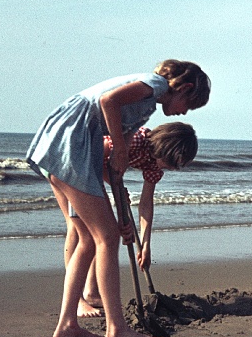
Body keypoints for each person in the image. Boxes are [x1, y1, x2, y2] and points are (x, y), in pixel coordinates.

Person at [26, 59, 210, 337]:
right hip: (74, 143)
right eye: (188, 104)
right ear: (184, 88)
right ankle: (116, 331)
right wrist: (122, 149)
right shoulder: (155, 86)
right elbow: (107, 101)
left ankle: (67, 325)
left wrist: (122, 209)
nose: (184, 112)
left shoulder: (146, 108)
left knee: (90, 238)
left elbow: (116, 167)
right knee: (107, 238)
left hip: (70, 143)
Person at [60, 123, 198, 318]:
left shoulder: (154, 166)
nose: (171, 168)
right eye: (171, 162)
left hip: (93, 177)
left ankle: (91, 292)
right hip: (76, 167)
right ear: (165, 147)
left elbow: (145, 205)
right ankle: (77, 301)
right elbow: (98, 159)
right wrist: (116, 188)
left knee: (100, 233)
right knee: (78, 228)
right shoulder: (135, 139)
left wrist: (145, 244)